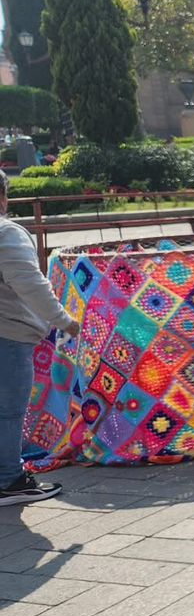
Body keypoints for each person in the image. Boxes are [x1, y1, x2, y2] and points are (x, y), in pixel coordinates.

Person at [0, 170, 78, 506]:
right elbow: (31, 284)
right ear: (4, 196)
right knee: (8, 412)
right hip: (8, 334)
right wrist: (64, 320)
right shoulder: (6, 233)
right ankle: (10, 481)